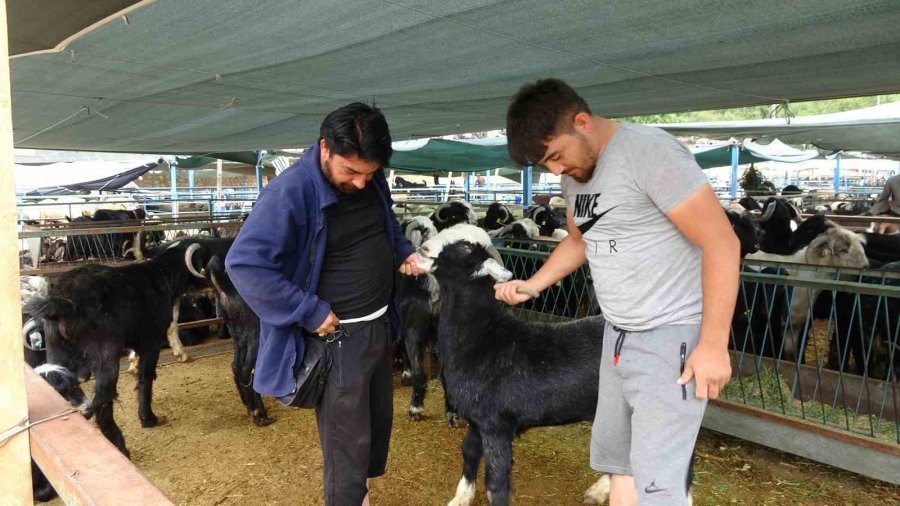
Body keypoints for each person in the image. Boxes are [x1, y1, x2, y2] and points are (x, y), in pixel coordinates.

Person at [495, 79, 739, 505]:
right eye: (544, 163)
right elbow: (578, 240)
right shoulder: (575, 177)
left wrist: (714, 345)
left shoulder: (649, 153)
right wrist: (532, 285)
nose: (554, 170)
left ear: (582, 122)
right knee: (619, 464)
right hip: (617, 333)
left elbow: (722, 242)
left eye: (555, 155)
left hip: (670, 335)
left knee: (659, 482)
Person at [225, 103, 422, 506]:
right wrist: (308, 311)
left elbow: (385, 223)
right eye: (352, 172)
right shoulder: (290, 191)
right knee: (346, 445)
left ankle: (361, 498)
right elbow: (244, 263)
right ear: (325, 149)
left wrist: (402, 250)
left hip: (380, 325)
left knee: (374, 429)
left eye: (370, 172)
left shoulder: (371, 178)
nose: (363, 182)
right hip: (337, 337)